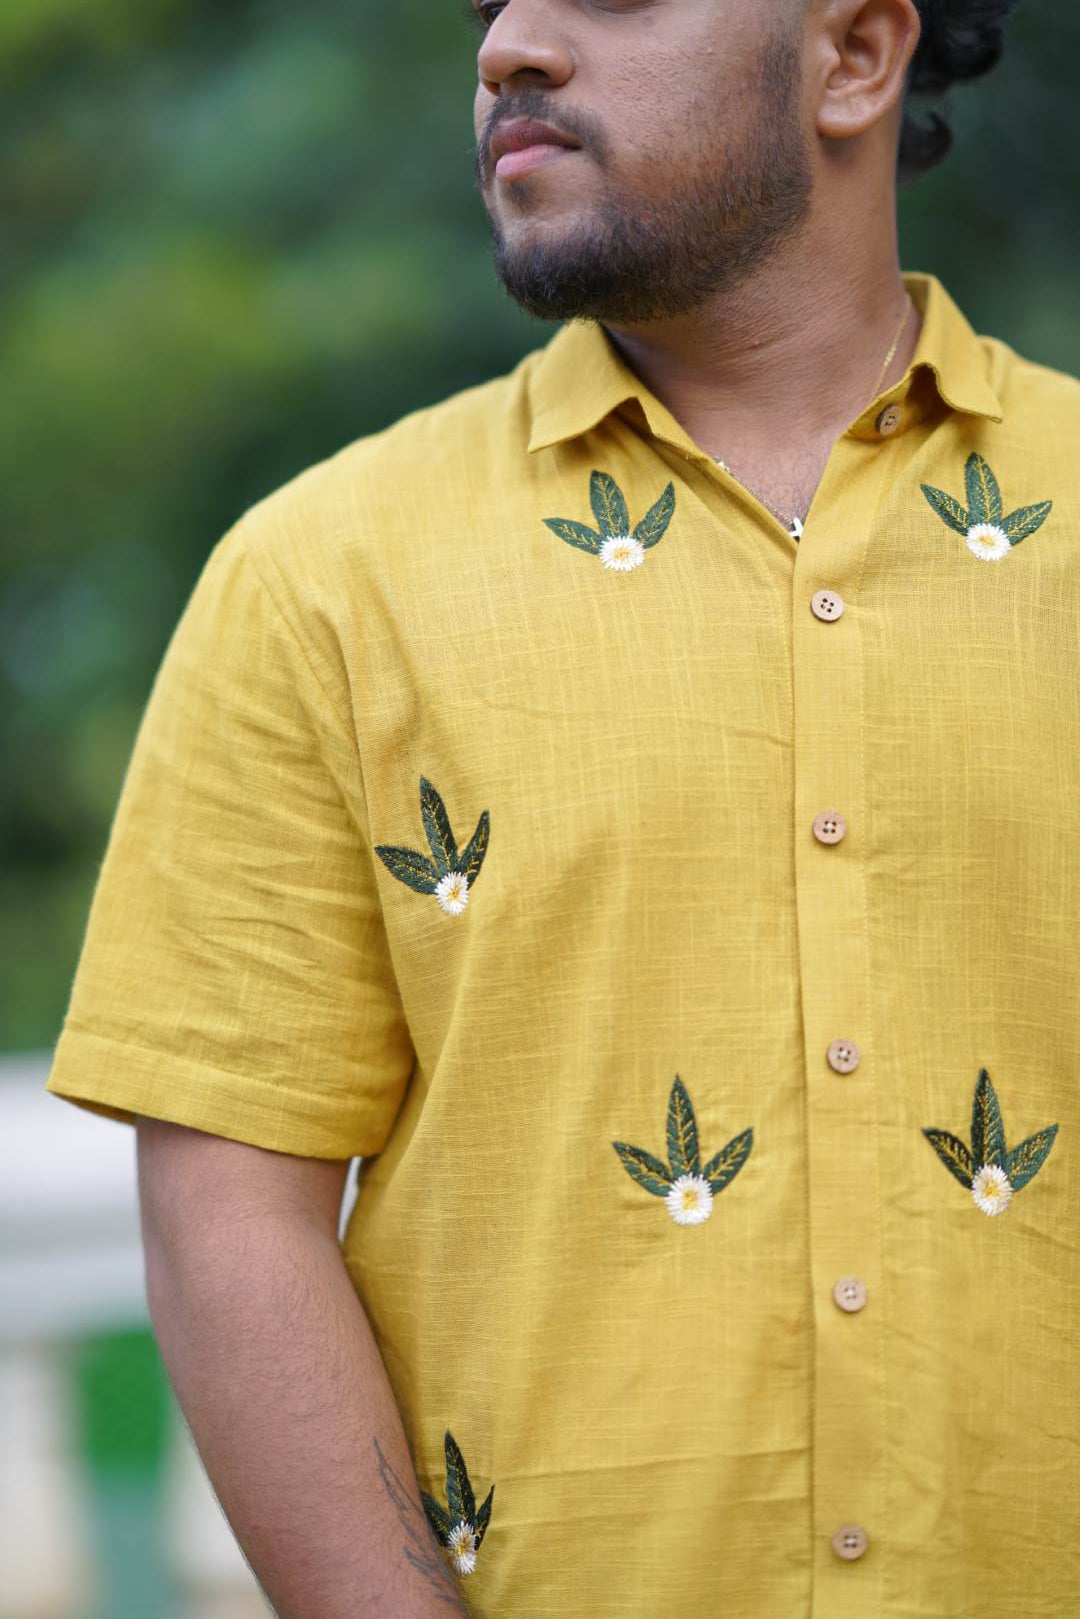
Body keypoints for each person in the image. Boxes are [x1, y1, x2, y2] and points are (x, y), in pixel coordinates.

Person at [45, 0, 1080, 1613]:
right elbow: (228, 1201)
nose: (510, 45)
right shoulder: (324, 580)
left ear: (858, 55)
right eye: (490, 7)